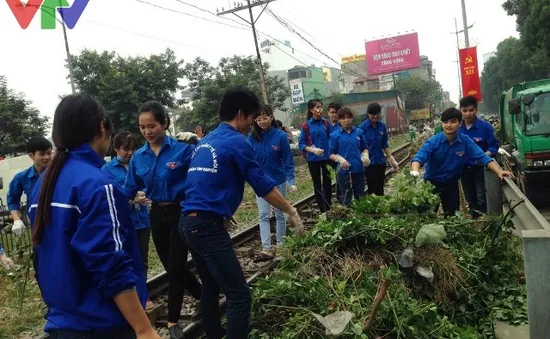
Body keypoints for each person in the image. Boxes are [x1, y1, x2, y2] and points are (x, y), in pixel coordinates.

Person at [28, 94, 159, 339]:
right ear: (102, 127)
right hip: (101, 326)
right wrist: (144, 329)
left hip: (63, 323)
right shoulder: (99, 185)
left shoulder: (44, 184)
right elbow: (110, 266)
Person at [179, 86, 305, 339]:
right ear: (240, 114)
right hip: (206, 226)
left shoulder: (208, 140)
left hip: (187, 223)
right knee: (239, 296)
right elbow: (262, 185)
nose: (252, 124)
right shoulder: (237, 141)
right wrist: (291, 210)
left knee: (211, 286)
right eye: (251, 117)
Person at [124, 101, 201, 339]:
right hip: (157, 214)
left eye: (152, 126)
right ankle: (204, 294)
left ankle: (172, 320)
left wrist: (200, 142)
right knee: (170, 266)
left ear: (165, 124)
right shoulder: (139, 158)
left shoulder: (182, 150)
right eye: (142, 127)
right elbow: (128, 188)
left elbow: (202, 173)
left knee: (176, 266)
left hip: (181, 211)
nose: (147, 131)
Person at [410, 108, 513, 217]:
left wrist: (499, 171)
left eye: (453, 122)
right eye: (445, 122)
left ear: (460, 123)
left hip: (451, 186)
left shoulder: (465, 141)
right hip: (431, 185)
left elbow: (482, 157)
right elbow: (419, 157)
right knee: (427, 216)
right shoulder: (434, 141)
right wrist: (415, 170)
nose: (449, 125)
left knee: (452, 216)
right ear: (442, 124)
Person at [102, 131, 153, 309]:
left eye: (133, 149)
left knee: (143, 260)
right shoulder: (106, 170)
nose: (130, 153)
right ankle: (130, 300)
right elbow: (109, 198)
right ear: (116, 149)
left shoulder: (139, 163)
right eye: (126, 149)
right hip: (123, 223)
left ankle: (143, 295)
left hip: (143, 220)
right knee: (127, 261)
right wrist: (131, 200)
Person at [249, 104, 296, 261]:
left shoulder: (280, 137)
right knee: (263, 214)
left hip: (278, 181)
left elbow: (288, 161)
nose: (262, 121)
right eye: (258, 118)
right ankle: (266, 248)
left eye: (265, 117)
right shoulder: (252, 137)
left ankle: (281, 246)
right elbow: (249, 161)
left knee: (279, 214)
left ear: (271, 117)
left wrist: (291, 180)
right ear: (255, 120)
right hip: (261, 183)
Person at [458, 95, 500, 218]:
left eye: (471, 110)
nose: (467, 114)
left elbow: (494, 146)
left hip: (481, 169)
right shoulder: (458, 129)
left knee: (481, 197)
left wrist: (485, 154)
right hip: (464, 170)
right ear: (461, 111)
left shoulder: (485, 127)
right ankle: (475, 222)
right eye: (464, 111)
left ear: (476, 110)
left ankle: (485, 220)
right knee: (470, 199)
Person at [8, 137, 52, 237]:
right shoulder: (22, 177)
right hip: (37, 226)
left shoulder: (59, 174)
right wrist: (17, 219)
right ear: (31, 155)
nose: (47, 157)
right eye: (42, 154)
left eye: (49, 153)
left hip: (60, 222)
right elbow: (12, 199)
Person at [329, 107, 369, 206]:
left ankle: (361, 215)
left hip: (358, 168)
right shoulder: (335, 135)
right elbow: (330, 154)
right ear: (339, 120)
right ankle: (348, 216)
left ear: (352, 118)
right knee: (345, 196)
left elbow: (364, 148)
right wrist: (340, 160)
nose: (346, 120)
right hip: (342, 170)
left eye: (348, 117)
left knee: (360, 195)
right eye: (343, 118)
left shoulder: (359, 132)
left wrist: (365, 155)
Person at [299, 99, 334, 212]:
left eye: (320, 106)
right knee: (317, 184)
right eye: (317, 107)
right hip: (313, 159)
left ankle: (328, 206)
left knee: (328, 182)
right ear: (311, 110)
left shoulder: (326, 123)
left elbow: (333, 138)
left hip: (327, 158)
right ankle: (322, 209)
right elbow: (301, 144)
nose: (319, 109)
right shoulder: (306, 126)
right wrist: (312, 150)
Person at [358, 103, 399, 196]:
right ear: (368, 114)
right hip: (369, 162)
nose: (375, 116)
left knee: (380, 186)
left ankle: (381, 206)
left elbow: (385, 144)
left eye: (377, 113)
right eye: (373, 114)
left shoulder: (382, 126)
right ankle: (373, 206)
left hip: (380, 161)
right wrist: (363, 157)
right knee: (372, 186)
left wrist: (391, 159)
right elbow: (359, 146)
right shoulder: (362, 128)